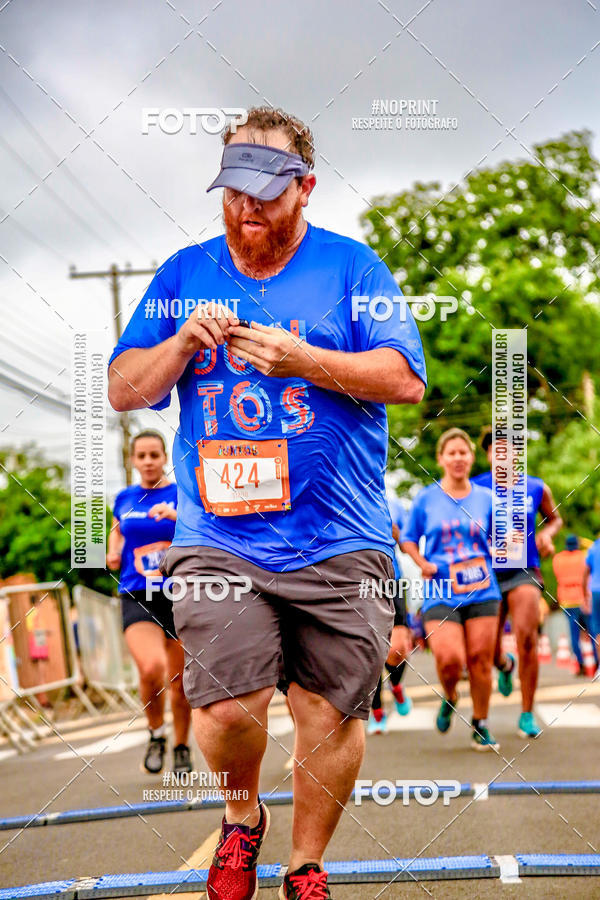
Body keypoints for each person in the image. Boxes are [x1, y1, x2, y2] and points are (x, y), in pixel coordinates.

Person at [107, 106, 426, 900]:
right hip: (220, 536)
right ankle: (241, 819)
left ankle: (306, 865)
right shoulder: (185, 273)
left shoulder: (354, 268)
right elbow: (122, 388)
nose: (246, 208)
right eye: (232, 193)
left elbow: (406, 380)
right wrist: (181, 343)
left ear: (305, 187)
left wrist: (304, 358)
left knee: (329, 713)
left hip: (340, 537)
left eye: (265, 192)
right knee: (224, 704)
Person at [402, 428, 501, 751]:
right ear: (441, 459)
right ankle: (451, 695)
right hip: (440, 587)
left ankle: (481, 722)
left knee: (480, 659)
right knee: (449, 659)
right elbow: (407, 538)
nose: (458, 458)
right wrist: (421, 562)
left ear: (472, 458)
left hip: (483, 587)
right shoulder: (426, 498)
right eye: (452, 453)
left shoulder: (487, 498)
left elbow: (505, 540)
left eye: (464, 452)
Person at [107, 430, 192, 775]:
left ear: (164, 458)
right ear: (132, 460)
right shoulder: (124, 498)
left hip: (177, 594)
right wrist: (113, 551)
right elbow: (117, 530)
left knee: (180, 681)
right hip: (136, 592)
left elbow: (204, 529)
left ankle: (182, 746)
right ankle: (156, 732)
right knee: (151, 668)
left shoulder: (182, 495)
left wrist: (176, 518)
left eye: (154, 455)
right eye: (141, 456)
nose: (147, 461)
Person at [472, 429, 562, 738]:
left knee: (526, 636)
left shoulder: (536, 487)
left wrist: (546, 536)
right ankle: (504, 664)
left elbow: (555, 519)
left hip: (524, 569)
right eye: (494, 451)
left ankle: (526, 713)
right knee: (488, 648)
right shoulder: (475, 487)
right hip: (487, 573)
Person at [368, 493, 413, 735]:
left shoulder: (395, 503)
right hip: (361, 584)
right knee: (370, 651)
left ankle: (396, 685)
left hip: (393, 580)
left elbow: (408, 546)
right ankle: (377, 712)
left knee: (396, 649)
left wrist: (399, 537)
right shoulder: (348, 493)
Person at [554, 535, 598, 675]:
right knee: (592, 631)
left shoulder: (558, 559)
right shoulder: (583, 556)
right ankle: (597, 662)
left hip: (567, 601)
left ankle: (580, 664)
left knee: (574, 633)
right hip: (582, 599)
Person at [584, 535, 600, 674]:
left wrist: (584, 595)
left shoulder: (593, 547)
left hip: (596, 591)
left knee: (598, 630)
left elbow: (585, 573)